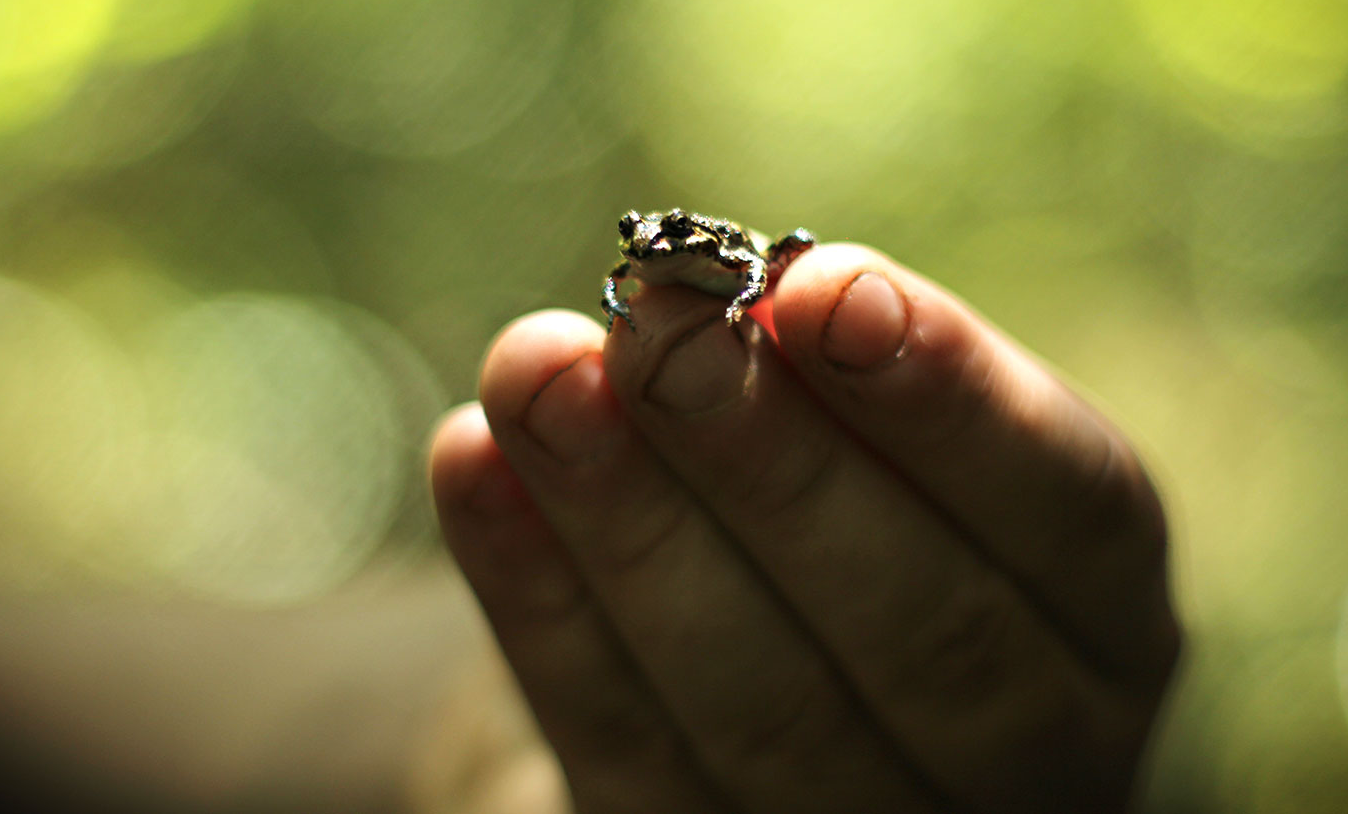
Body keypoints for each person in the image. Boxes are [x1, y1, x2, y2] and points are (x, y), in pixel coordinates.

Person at [429, 240, 1181, 812]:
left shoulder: (710, 249)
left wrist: (739, 308)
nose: (649, 246)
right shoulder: (646, 264)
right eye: (638, 239)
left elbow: (756, 266)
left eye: (663, 237)